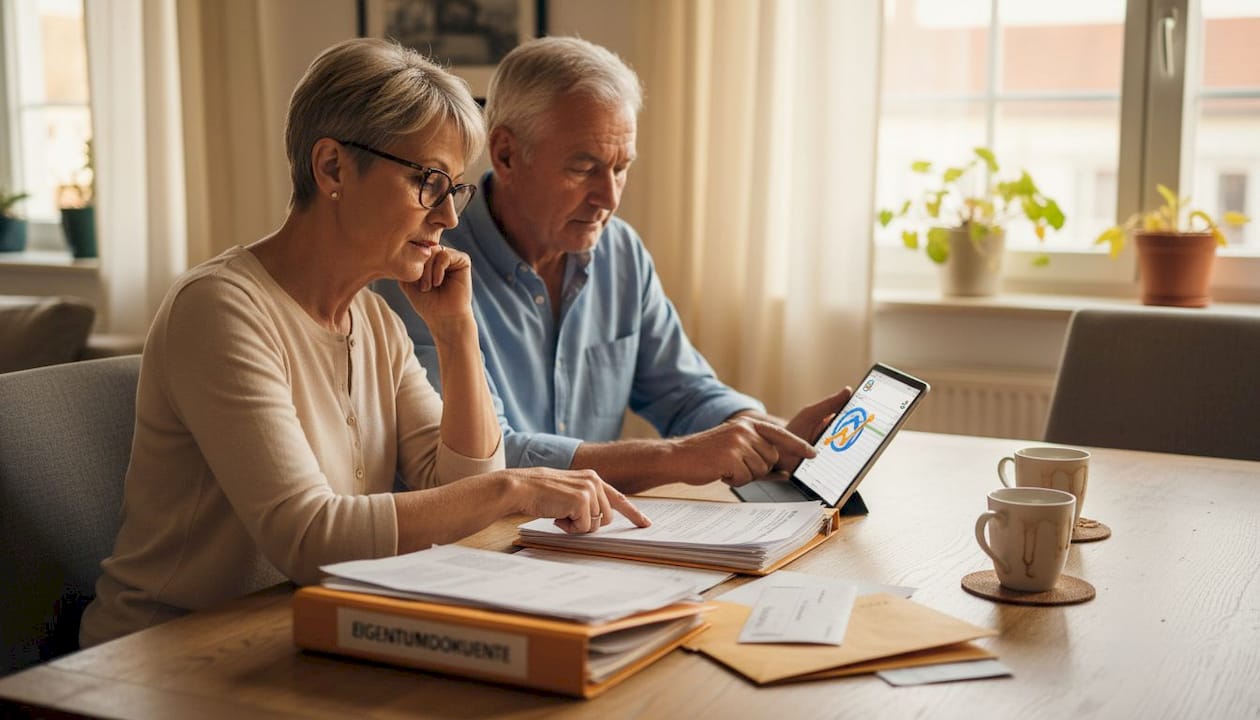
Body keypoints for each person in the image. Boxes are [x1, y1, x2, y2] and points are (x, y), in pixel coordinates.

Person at [80, 38, 647, 648]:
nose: (449, 217)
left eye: (455, 188)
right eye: (429, 182)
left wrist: (457, 334)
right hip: (166, 655)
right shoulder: (220, 309)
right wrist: (515, 486)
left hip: (303, 634)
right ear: (332, 168)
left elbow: (451, 490)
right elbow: (309, 539)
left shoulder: (376, 321)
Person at [378, 37, 851, 495]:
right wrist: (677, 457)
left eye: (620, 168)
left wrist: (769, 435)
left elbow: (685, 393)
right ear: (505, 155)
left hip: (585, 543)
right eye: (583, 168)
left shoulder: (619, 252)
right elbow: (489, 460)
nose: (609, 198)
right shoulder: (425, 266)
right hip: (465, 548)